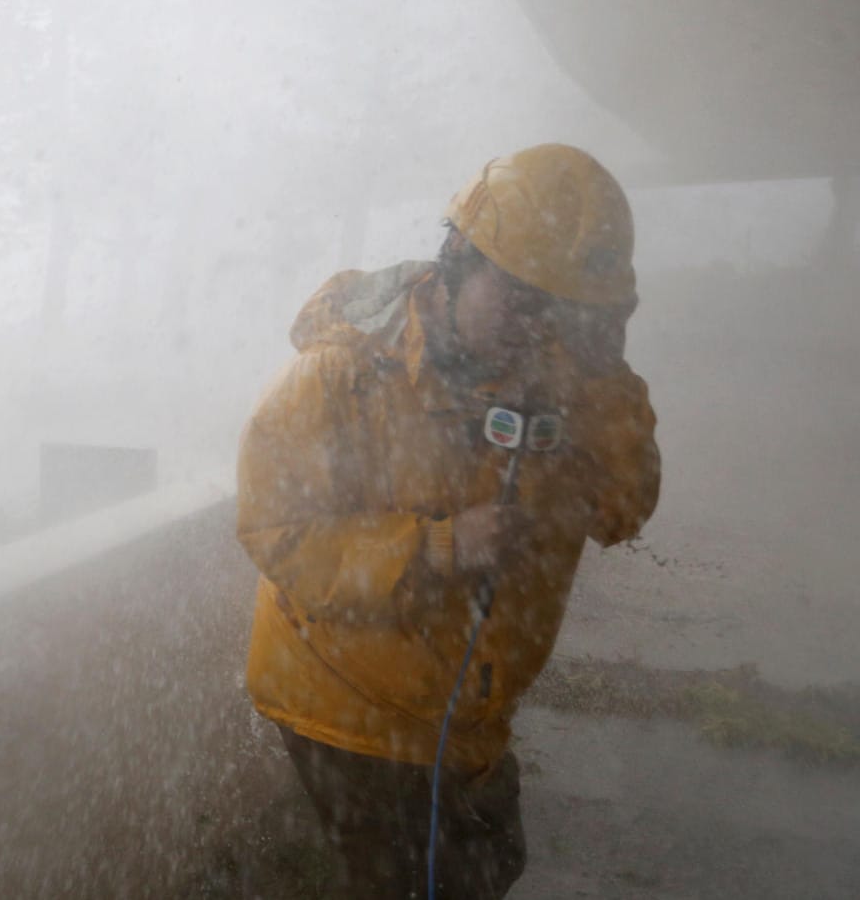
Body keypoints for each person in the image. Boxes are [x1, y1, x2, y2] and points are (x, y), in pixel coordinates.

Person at [235, 144, 661, 899]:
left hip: (466, 713)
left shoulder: (565, 374)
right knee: (413, 881)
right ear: (459, 256)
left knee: (488, 867)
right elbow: (277, 530)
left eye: (559, 308)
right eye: (521, 296)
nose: (535, 324)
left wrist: (606, 376)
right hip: (345, 702)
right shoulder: (342, 372)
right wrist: (436, 547)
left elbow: (623, 507)